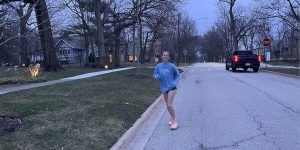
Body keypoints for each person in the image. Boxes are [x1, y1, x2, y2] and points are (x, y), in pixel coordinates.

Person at [153, 51, 180, 130]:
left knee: (169, 105)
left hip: (172, 87)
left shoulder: (172, 66)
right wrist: (157, 76)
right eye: (164, 55)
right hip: (164, 88)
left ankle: (174, 121)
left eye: (167, 55)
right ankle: (171, 118)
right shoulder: (158, 66)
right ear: (162, 57)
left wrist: (174, 83)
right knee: (167, 106)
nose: (165, 56)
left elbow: (177, 75)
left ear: (168, 57)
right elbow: (155, 74)